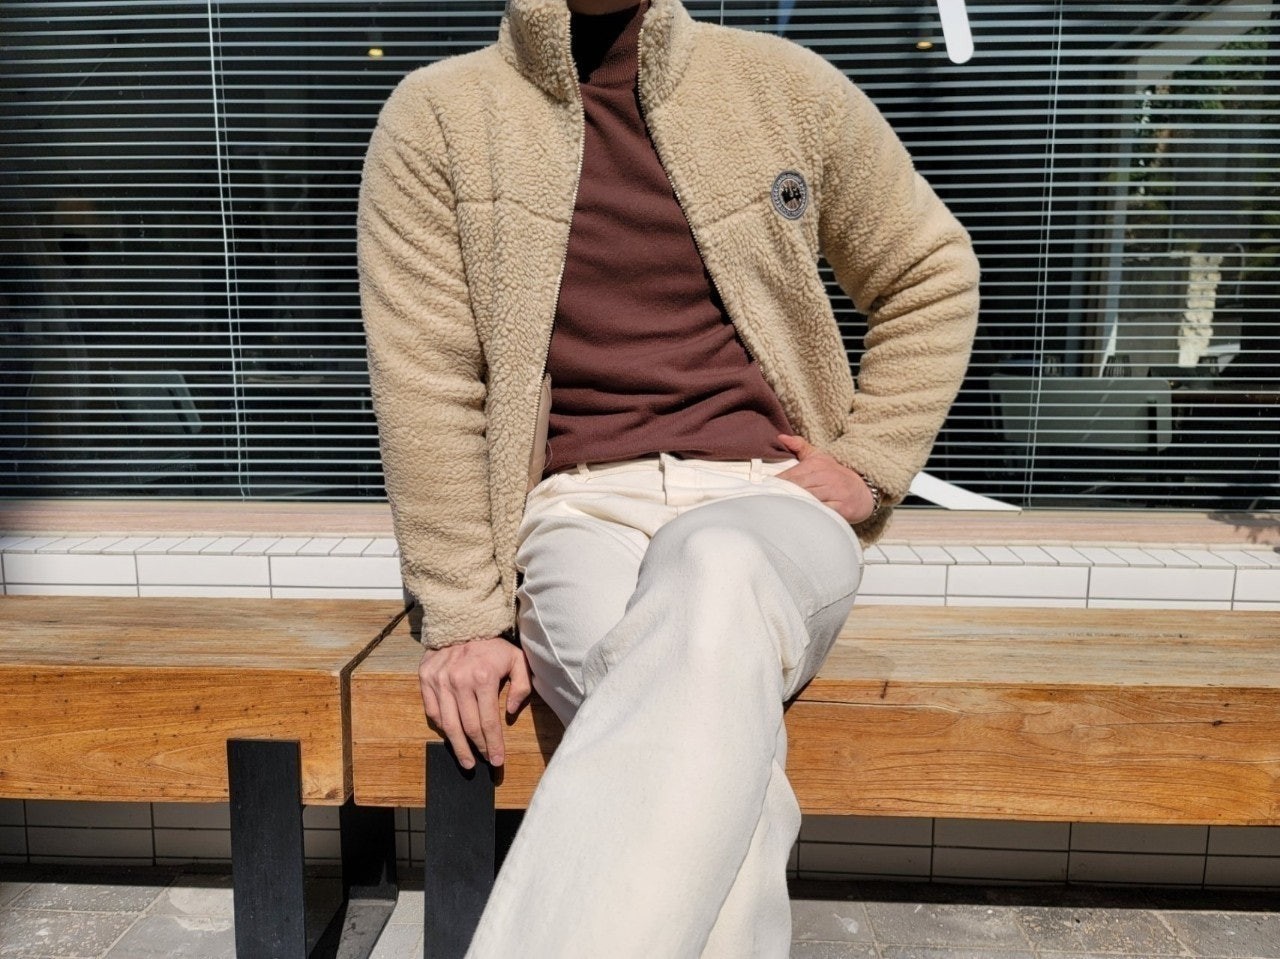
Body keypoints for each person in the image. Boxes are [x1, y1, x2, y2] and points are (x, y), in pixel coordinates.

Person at [357, 0, 979, 953]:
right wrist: (465, 616)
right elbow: (427, 380)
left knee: (715, 565)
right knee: (711, 767)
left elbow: (929, 269)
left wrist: (870, 460)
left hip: (769, 501)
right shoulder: (440, 118)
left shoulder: (781, 87)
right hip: (579, 513)